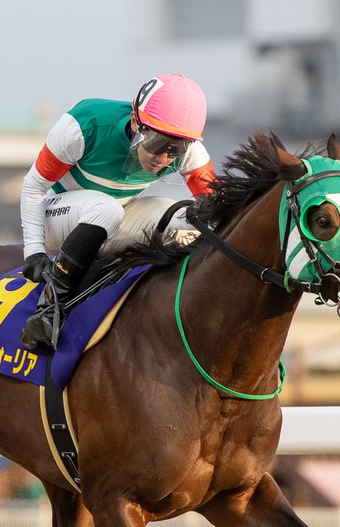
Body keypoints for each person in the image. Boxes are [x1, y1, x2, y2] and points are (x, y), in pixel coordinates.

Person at [18, 73, 216, 350]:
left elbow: (217, 209)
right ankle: (50, 307)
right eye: (158, 145)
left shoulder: (191, 152)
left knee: (187, 218)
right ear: (137, 123)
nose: (163, 158)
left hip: (116, 216)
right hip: (59, 218)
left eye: (176, 149)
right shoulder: (85, 124)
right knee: (106, 209)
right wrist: (34, 251)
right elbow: (34, 187)